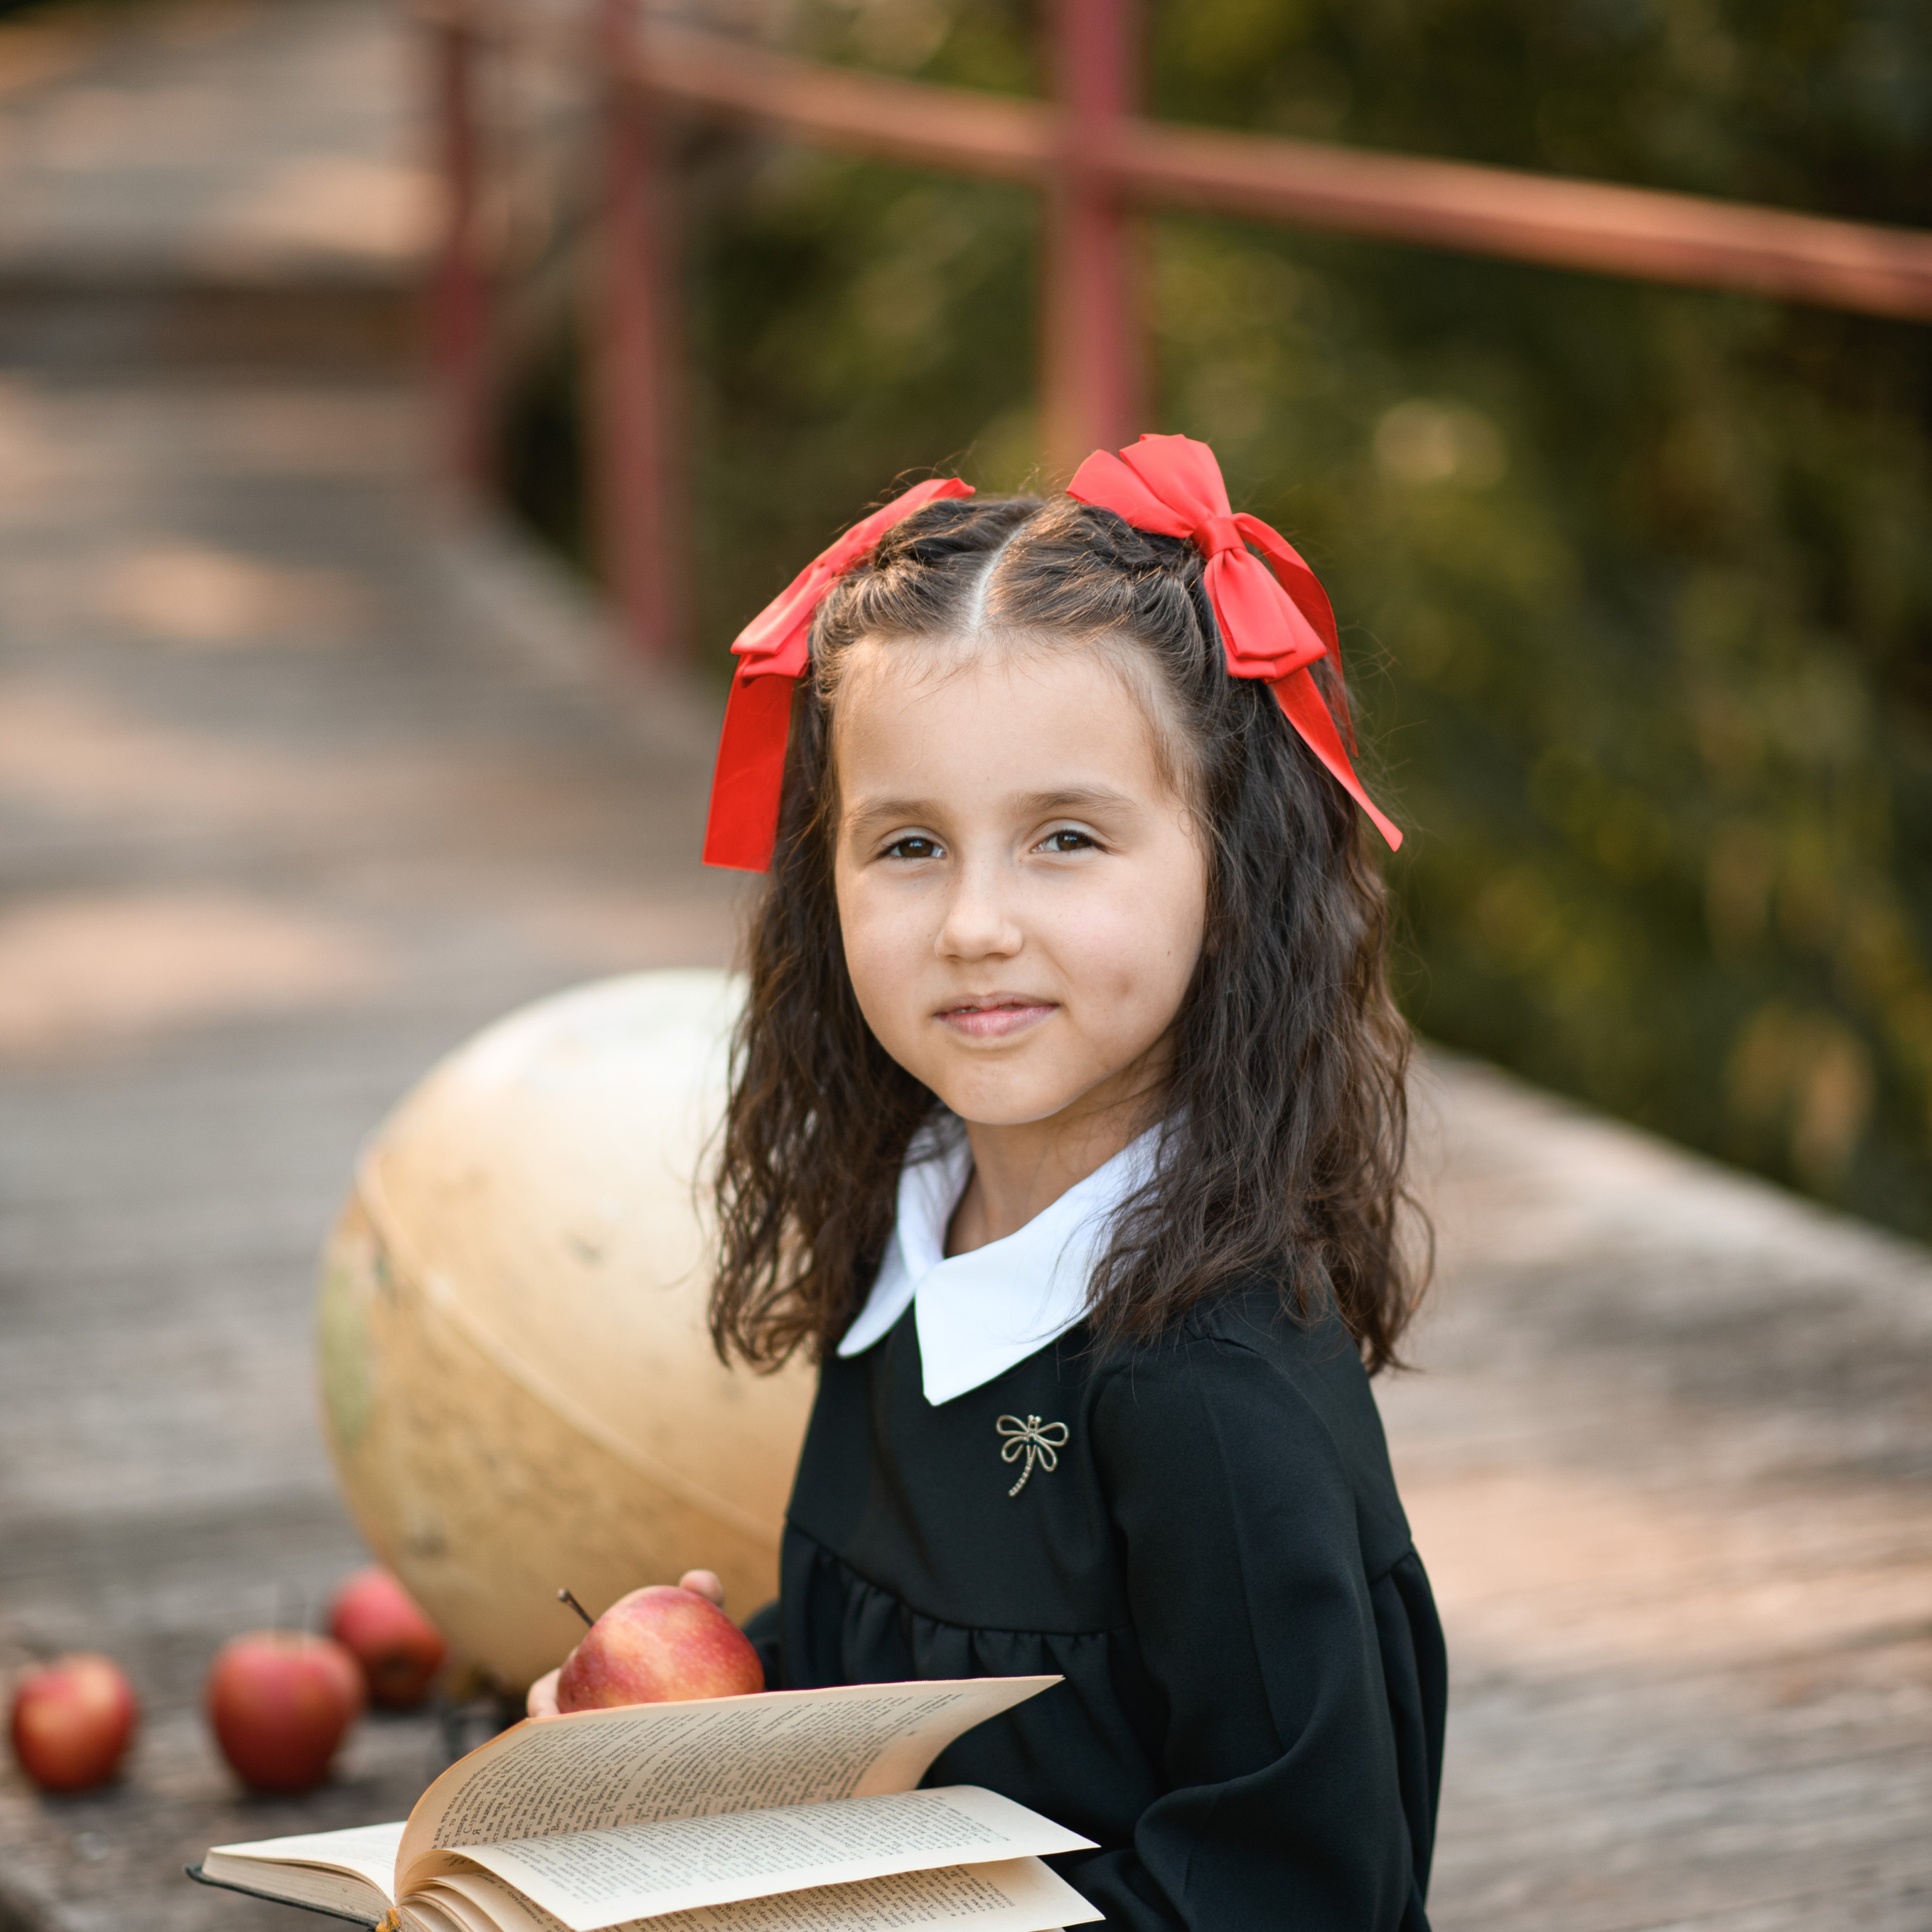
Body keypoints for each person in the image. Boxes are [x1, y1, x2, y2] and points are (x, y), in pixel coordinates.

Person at [532, 434, 1445, 1931]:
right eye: (905, 844)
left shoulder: (1209, 1400)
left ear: (1232, 866)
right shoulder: (903, 1230)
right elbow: (901, 1683)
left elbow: (1287, 1890)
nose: (970, 921)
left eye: (1064, 838)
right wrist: (683, 1742)